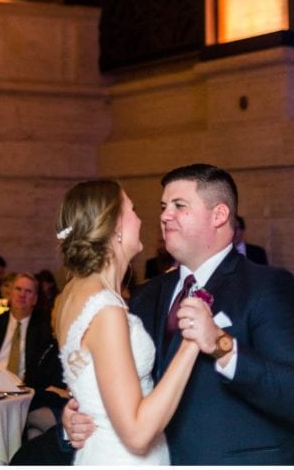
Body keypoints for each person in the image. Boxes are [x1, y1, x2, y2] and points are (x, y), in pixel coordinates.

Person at [65, 163, 294, 465]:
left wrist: (223, 346)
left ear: (219, 215)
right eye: (163, 207)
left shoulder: (266, 286)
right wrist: (76, 422)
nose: (164, 216)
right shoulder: (145, 296)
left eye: (179, 206)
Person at [55, 179, 204, 464]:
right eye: (132, 209)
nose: (142, 218)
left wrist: (74, 416)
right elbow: (136, 435)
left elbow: (91, 381)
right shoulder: (106, 310)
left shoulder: (72, 294)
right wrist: (191, 344)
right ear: (115, 228)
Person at [0, 272, 53, 385]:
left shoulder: (44, 329)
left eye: (28, 291)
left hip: (23, 389)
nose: (22, 294)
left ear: (35, 299)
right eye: (18, 289)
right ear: (10, 294)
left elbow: (44, 369)